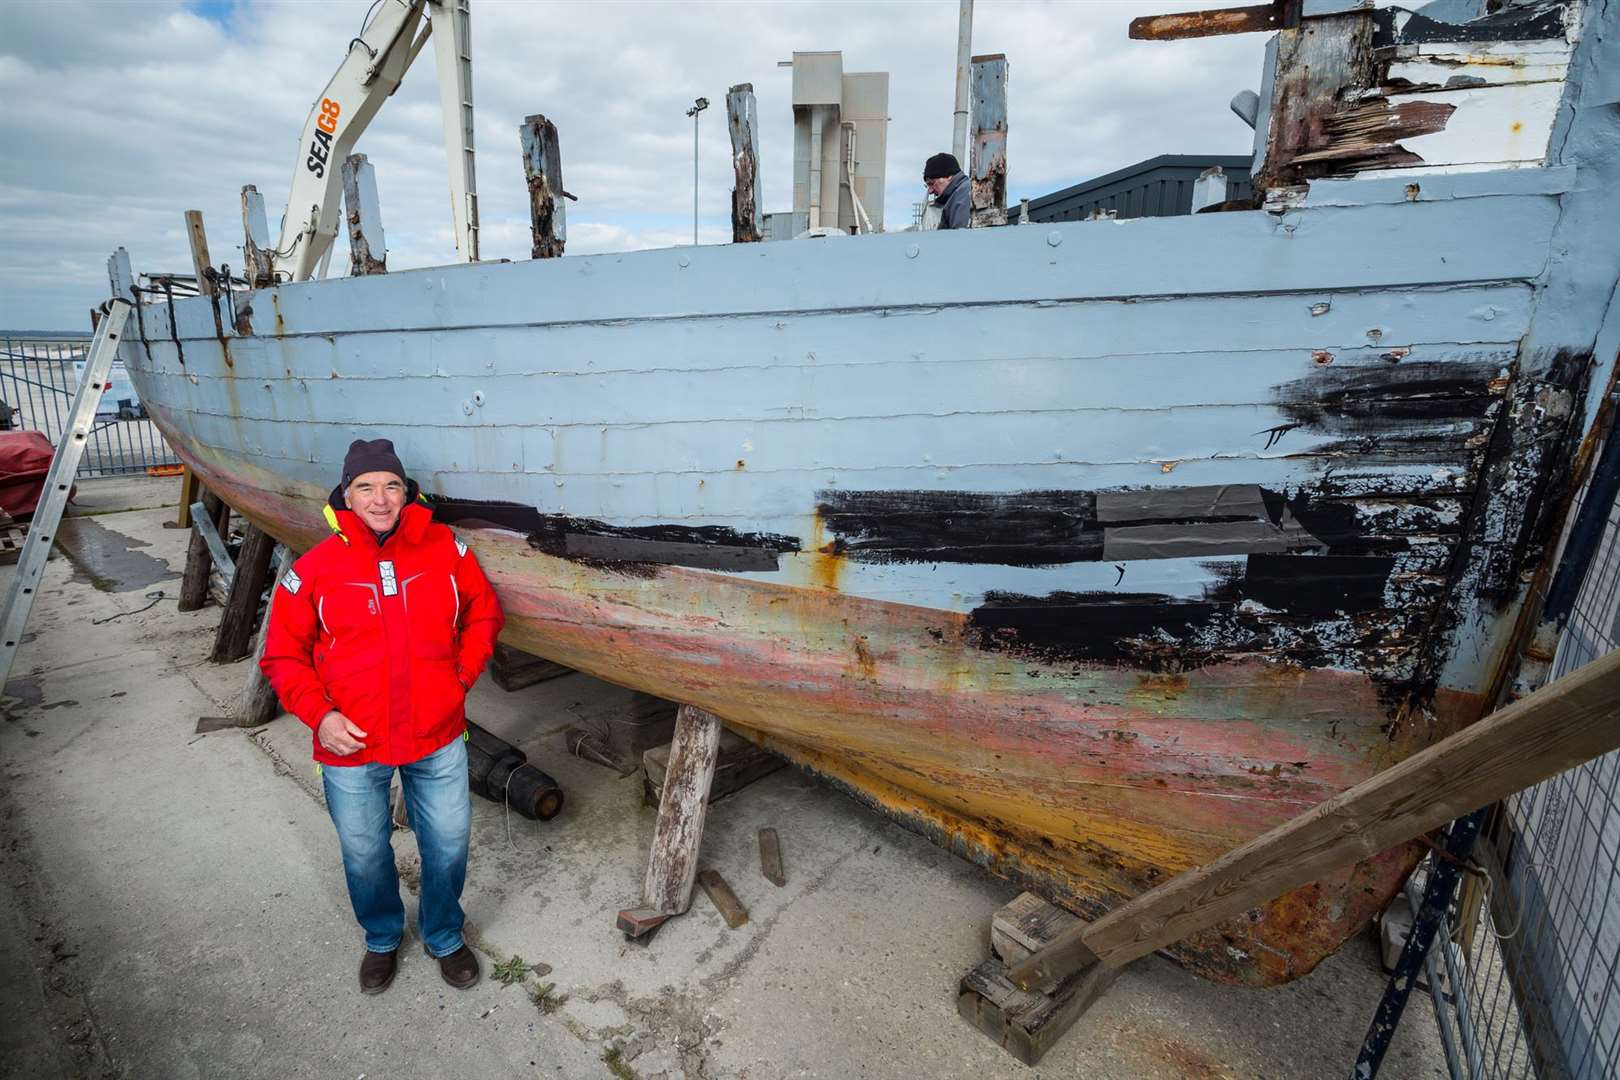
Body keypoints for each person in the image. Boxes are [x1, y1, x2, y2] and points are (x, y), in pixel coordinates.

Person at [261, 438, 504, 995]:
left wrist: (459, 680)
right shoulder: (315, 568)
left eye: (391, 486)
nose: (380, 498)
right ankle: (381, 937)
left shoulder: (446, 549)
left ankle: (444, 934)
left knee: (447, 840)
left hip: (436, 733)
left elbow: (484, 615)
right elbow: (282, 655)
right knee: (366, 850)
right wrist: (319, 716)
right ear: (346, 496)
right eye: (366, 487)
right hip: (351, 743)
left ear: (406, 493)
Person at [924, 152, 971, 230]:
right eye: (927, 185)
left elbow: (961, 239)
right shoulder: (957, 197)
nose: (930, 191)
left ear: (949, 176)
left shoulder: (962, 197)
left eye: (931, 183)